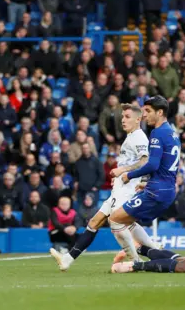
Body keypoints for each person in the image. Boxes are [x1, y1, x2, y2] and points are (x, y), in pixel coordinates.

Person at [50, 103, 155, 271]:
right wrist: (119, 177)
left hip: (127, 191)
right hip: (119, 188)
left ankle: (136, 261)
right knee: (94, 222)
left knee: (118, 223)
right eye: (122, 116)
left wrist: (123, 170)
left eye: (127, 117)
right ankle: (67, 260)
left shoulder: (139, 137)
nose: (123, 120)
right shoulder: (131, 136)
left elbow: (145, 161)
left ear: (138, 119)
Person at [109, 96, 180, 258]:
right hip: (166, 189)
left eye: (148, 111)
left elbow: (152, 164)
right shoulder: (172, 134)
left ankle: (137, 260)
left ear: (160, 112)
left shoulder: (157, 133)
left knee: (115, 219)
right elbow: (165, 165)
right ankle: (165, 256)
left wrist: (129, 174)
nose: (144, 115)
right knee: (127, 221)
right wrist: (147, 183)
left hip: (156, 191)